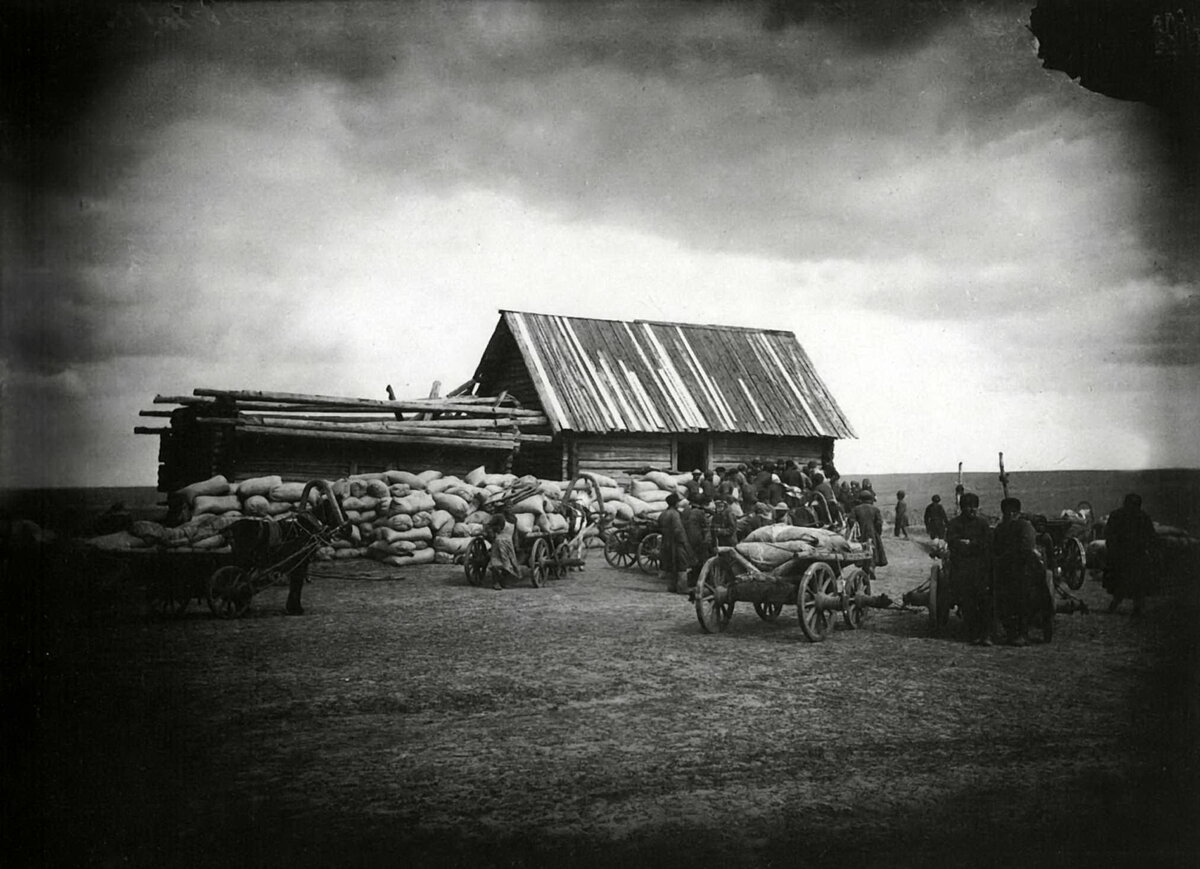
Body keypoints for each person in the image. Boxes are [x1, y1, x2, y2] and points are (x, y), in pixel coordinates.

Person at [946, 492, 993, 645]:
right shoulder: (954, 524)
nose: (972, 510)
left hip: (981, 569)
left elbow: (987, 544)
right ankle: (973, 633)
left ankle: (986, 634)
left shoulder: (983, 524)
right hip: (962, 569)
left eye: (974, 507)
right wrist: (970, 545)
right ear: (962, 508)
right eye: (968, 507)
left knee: (985, 601)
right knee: (968, 602)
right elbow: (952, 543)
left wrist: (969, 544)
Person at [992, 497, 1039, 646]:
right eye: (1005, 513)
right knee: (1002, 600)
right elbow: (994, 546)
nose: (1007, 516)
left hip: (1023, 569)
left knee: (1023, 600)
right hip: (1005, 570)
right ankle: (1010, 633)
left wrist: (1006, 556)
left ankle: (1023, 634)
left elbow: (1026, 548)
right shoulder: (1000, 528)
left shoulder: (1025, 527)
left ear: (1015, 513)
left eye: (1009, 513)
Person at [1102, 493, 1157, 616]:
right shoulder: (1143, 517)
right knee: (1134, 583)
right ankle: (1133, 607)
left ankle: (1117, 605)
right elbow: (1151, 536)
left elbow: (1108, 534)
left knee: (1123, 581)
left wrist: (1112, 550)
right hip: (1132, 555)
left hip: (1125, 555)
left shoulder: (1117, 515)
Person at [658, 493, 694, 594]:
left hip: (666, 542)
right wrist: (685, 543)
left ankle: (672, 586)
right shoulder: (675, 514)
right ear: (675, 503)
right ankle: (682, 587)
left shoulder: (663, 513)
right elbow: (678, 530)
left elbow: (659, 526)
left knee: (671, 564)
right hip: (676, 543)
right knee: (681, 565)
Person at [850, 488, 888, 568]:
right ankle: (872, 566)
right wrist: (878, 533)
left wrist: (855, 531)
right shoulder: (875, 509)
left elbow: (851, 521)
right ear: (871, 499)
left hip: (860, 534)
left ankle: (865, 566)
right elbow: (879, 523)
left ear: (860, 499)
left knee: (861, 550)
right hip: (872, 533)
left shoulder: (856, 509)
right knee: (873, 550)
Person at [682, 495, 713, 589]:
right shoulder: (700, 513)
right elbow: (706, 527)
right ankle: (697, 580)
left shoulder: (686, 510)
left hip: (685, 537)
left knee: (690, 559)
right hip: (696, 539)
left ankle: (689, 579)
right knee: (700, 560)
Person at [486, 513, 522, 590]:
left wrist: (516, 543)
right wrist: (492, 535)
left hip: (509, 543)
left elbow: (515, 533)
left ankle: (503, 581)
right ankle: (496, 582)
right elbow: (488, 526)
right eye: (506, 506)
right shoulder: (499, 517)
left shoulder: (513, 519)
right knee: (496, 562)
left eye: (510, 506)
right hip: (499, 542)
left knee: (508, 563)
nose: (508, 508)